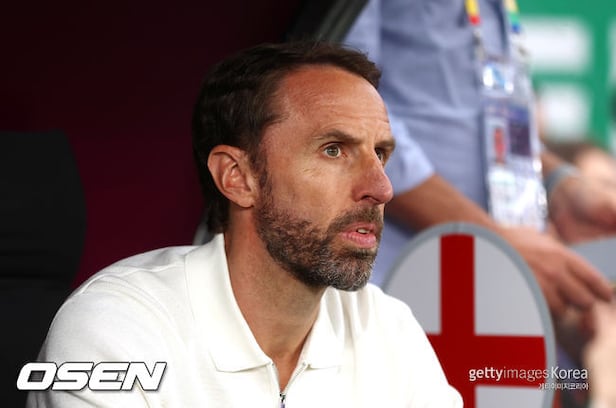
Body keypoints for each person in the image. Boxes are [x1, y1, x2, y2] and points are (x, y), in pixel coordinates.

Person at [26, 41, 462, 407]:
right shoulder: (118, 325)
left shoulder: (387, 327)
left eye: (380, 154)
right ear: (237, 177)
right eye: (333, 150)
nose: (381, 188)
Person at [343, 0, 615, 318]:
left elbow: (488, 118)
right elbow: (348, 105)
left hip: (486, 290)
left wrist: (558, 183)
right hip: (394, 283)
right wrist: (498, 244)